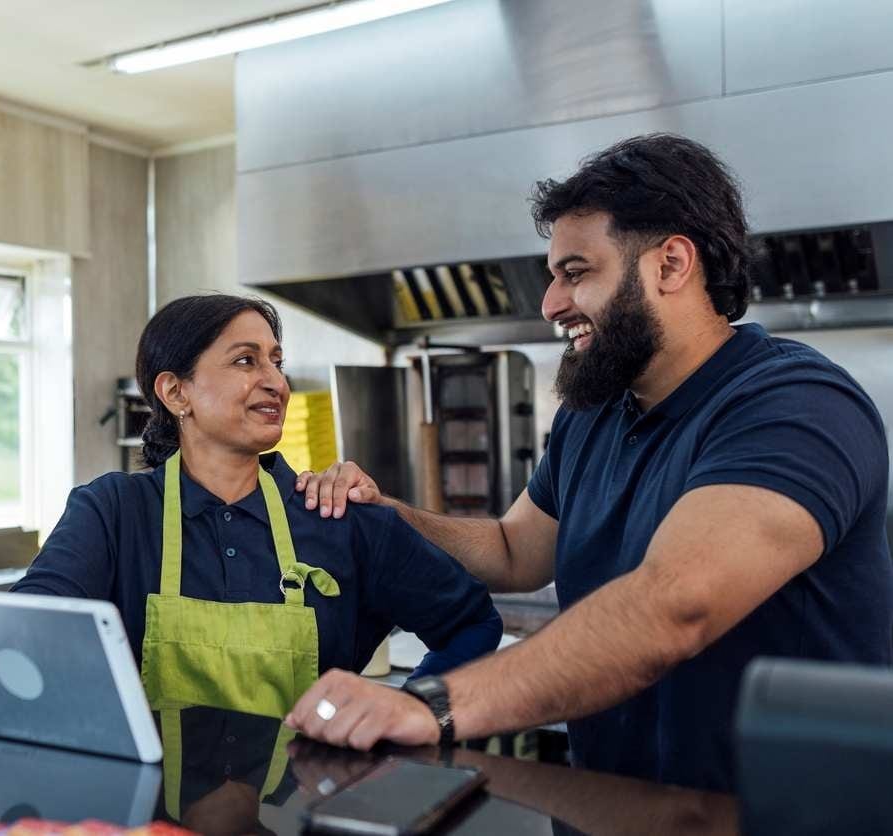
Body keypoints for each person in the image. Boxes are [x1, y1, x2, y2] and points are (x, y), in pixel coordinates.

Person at [285, 134, 893, 792]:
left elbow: (677, 603)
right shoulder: (592, 414)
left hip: (776, 815)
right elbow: (516, 551)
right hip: (613, 807)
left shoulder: (794, 404)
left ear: (671, 265)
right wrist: (388, 514)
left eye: (576, 273)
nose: (549, 303)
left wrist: (432, 704)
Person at [0, 294, 502, 723]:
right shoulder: (113, 512)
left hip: (301, 810)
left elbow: (473, 622)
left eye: (276, 361)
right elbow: (32, 627)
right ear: (175, 391)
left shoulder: (341, 517)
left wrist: (415, 706)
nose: (276, 382)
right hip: (146, 815)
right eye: (246, 360)